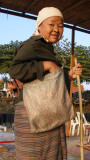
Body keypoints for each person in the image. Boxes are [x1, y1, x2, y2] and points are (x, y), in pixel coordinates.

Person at [9, 7, 82, 160]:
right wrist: (46, 65)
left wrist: (69, 75)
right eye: (52, 24)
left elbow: (49, 82)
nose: (57, 29)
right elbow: (15, 70)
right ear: (39, 25)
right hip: (32, 113)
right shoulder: (33, 44)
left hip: (48, 112)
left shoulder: (46, 47)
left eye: (60, 26)